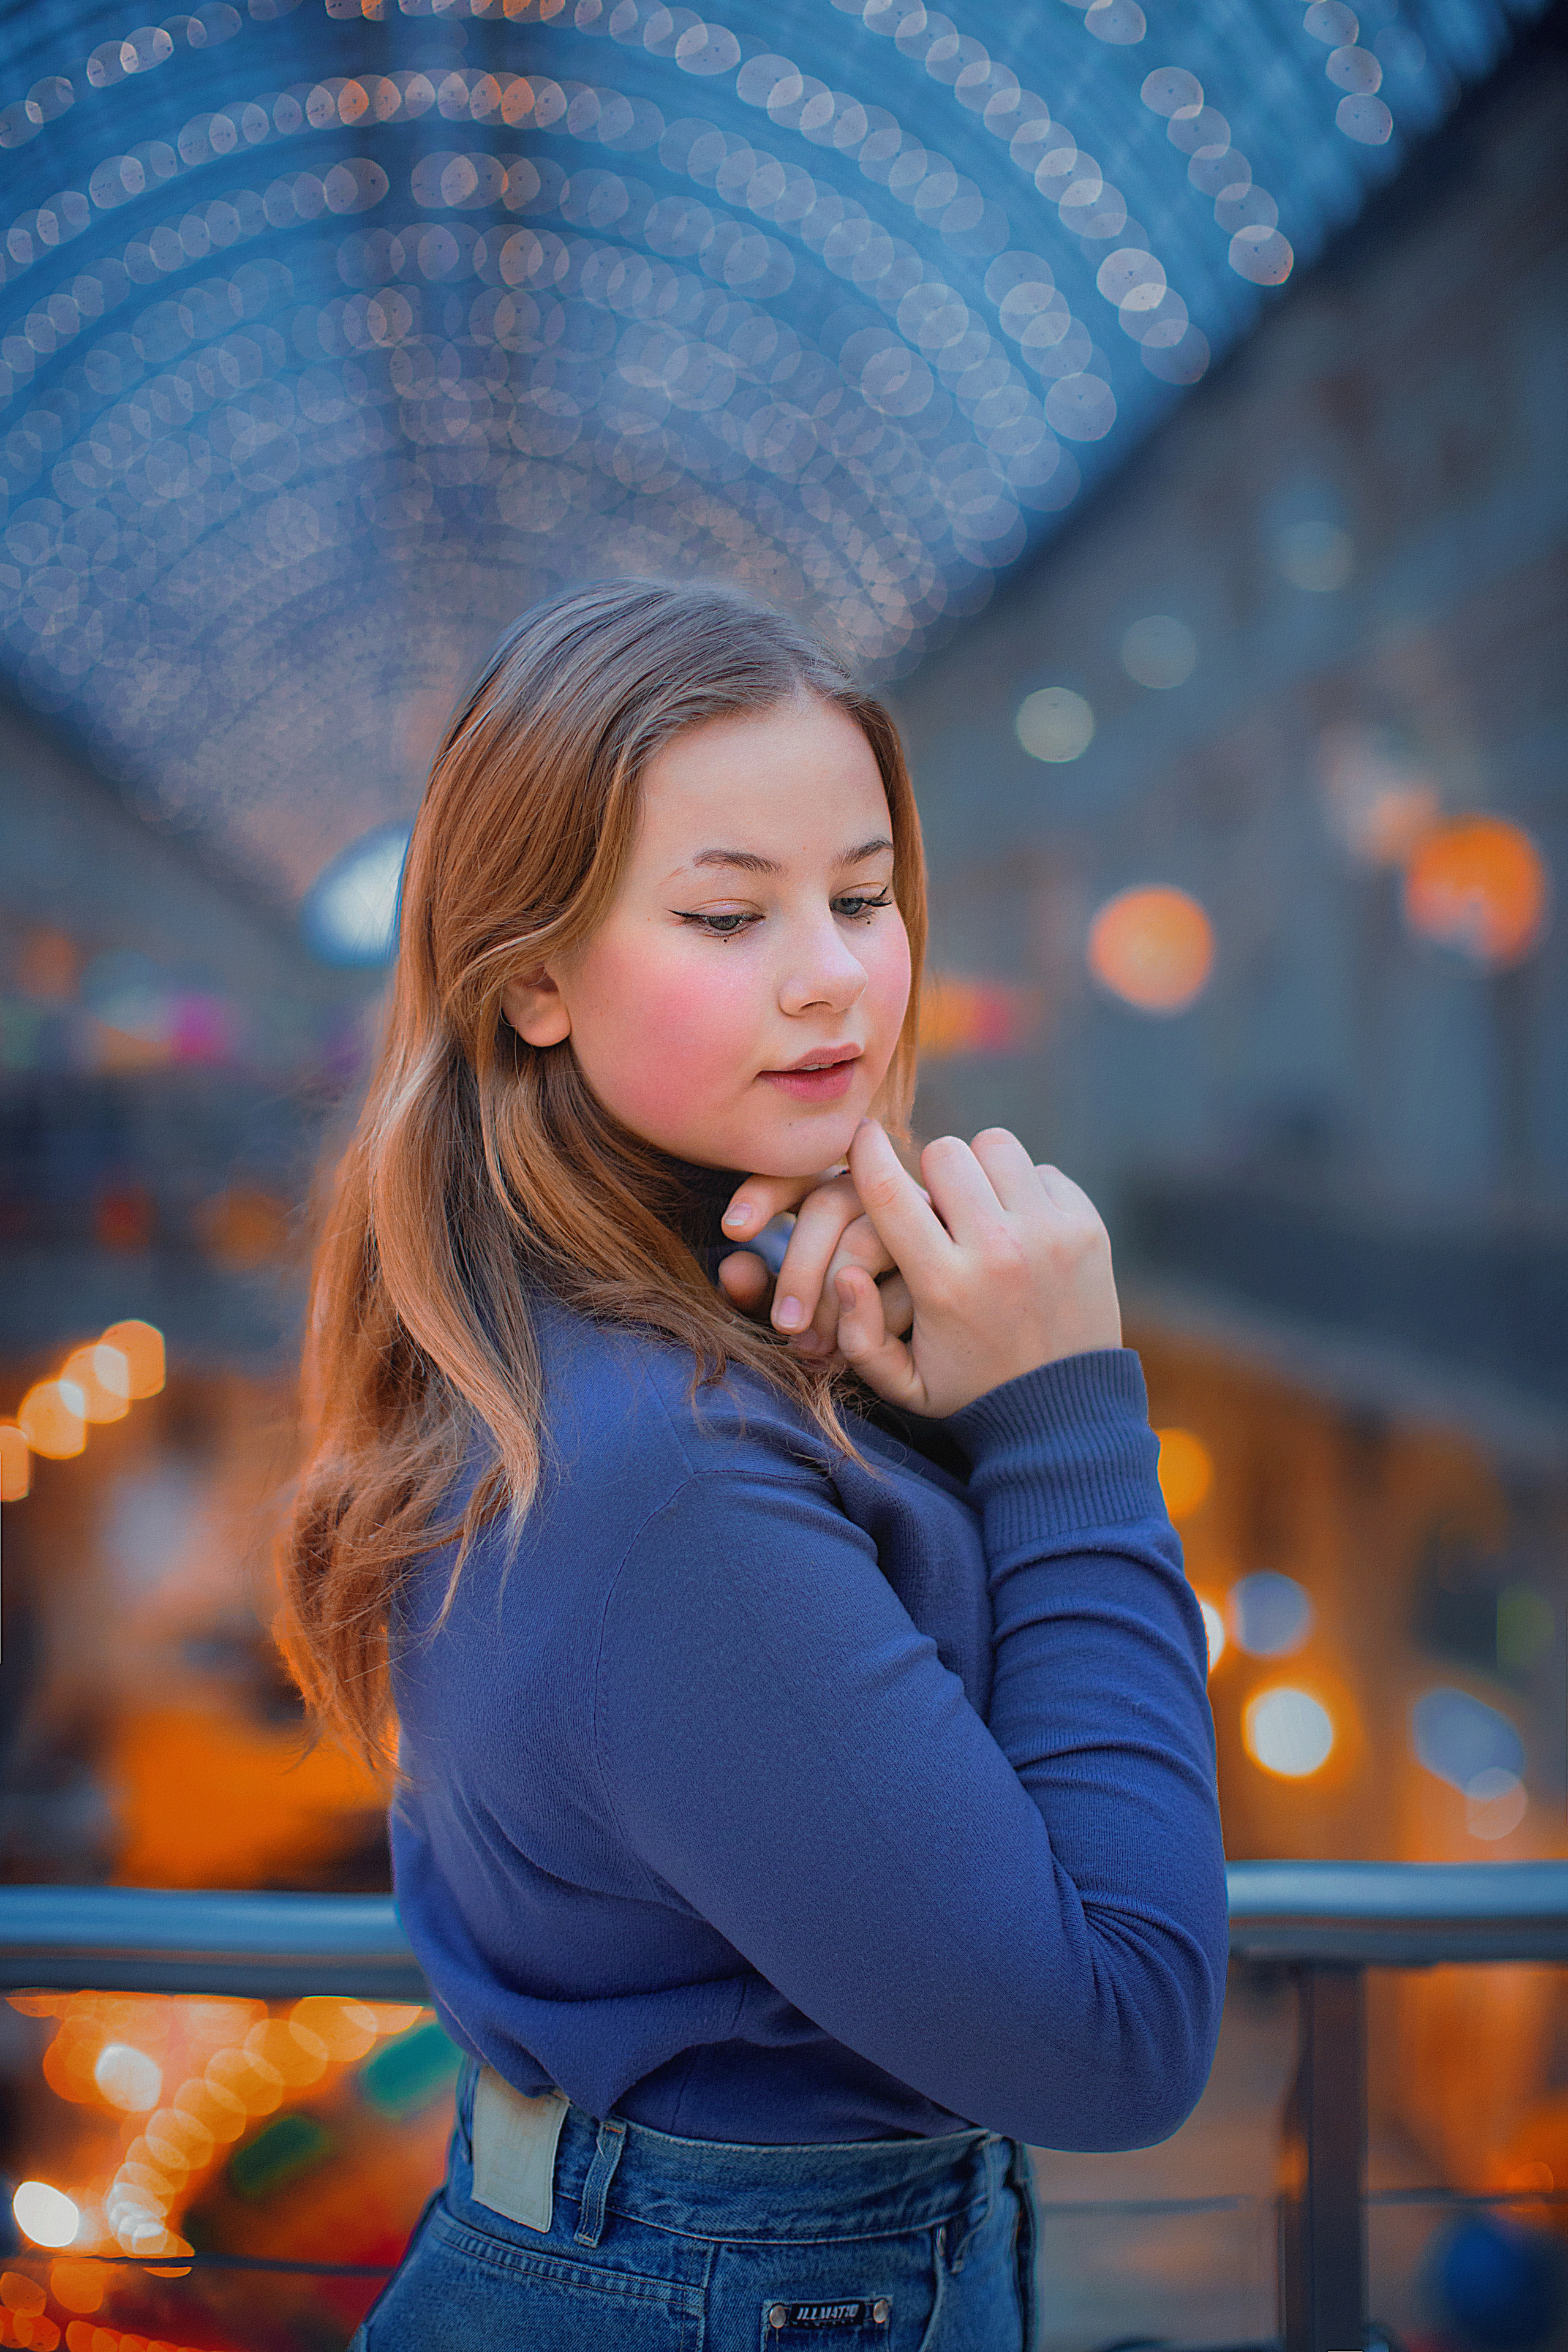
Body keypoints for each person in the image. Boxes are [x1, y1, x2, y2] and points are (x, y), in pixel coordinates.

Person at [278, 578, 1228, 2351]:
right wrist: (1068, 1420)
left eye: (864, 895)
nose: (836, 975)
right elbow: (1117, 2040)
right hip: (746, 2299)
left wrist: (933, 1399)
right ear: (534, 977)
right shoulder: (670, 1480)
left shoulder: (577, 1348)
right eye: (729, 914)